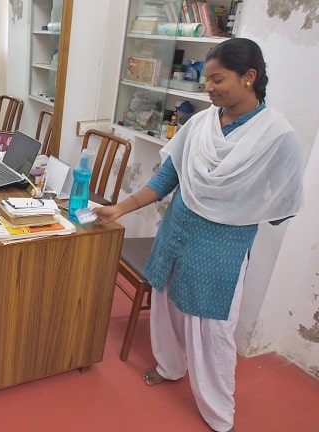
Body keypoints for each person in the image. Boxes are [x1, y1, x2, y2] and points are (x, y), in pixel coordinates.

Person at [93, 38, 304, 432]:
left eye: (217, 79)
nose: (208, 87)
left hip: (222, 246)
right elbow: (167, 177)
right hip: (178, 229)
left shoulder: (277, 137)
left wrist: (240, 204)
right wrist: (121, 208)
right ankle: (170, 366)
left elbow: (283, 204)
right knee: (166, 304)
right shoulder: (201, 123)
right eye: (206, 79)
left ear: (249, 77)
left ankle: (219, 411)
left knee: (214, 329)